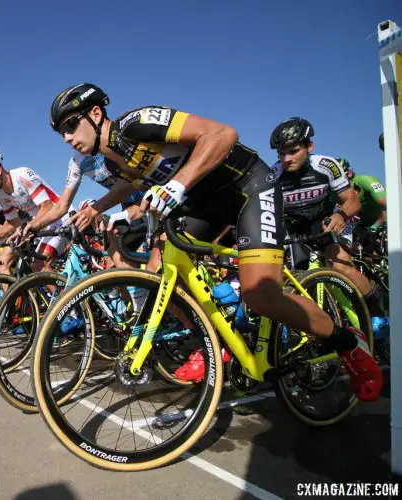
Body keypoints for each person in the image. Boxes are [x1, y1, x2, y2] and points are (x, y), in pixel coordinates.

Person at [49, 83, 381, 401]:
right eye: (61, 131)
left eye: (71, 125)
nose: (66, 137)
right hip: (202, 201)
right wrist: (101, 210)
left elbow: (223, 135)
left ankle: (348, 342)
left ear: (95, 113)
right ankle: (217, 343)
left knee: (260, 294)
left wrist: (177, 185)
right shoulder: (111, 158)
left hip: (248, 188)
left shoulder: (137, 123)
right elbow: (128, 184)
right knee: (160, 271)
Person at [269, 118, 388, 333]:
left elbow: (352, 200)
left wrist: (341, 216)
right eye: (281, 153)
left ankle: (374, 307)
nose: (287, 159)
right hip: (295, 232)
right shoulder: (274, 173)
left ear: (309, 147)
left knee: (341, 267)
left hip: (324, 225)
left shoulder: (326, 165)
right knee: (291, 281)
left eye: (294, 151)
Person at [0, 147, 70, 274]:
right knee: (27, 267)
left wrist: (28, 226)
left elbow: (47, 206)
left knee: (40, 266)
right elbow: (12, 222)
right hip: (43, 225)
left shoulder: (22, 175)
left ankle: (72, 294)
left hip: (62, 217)